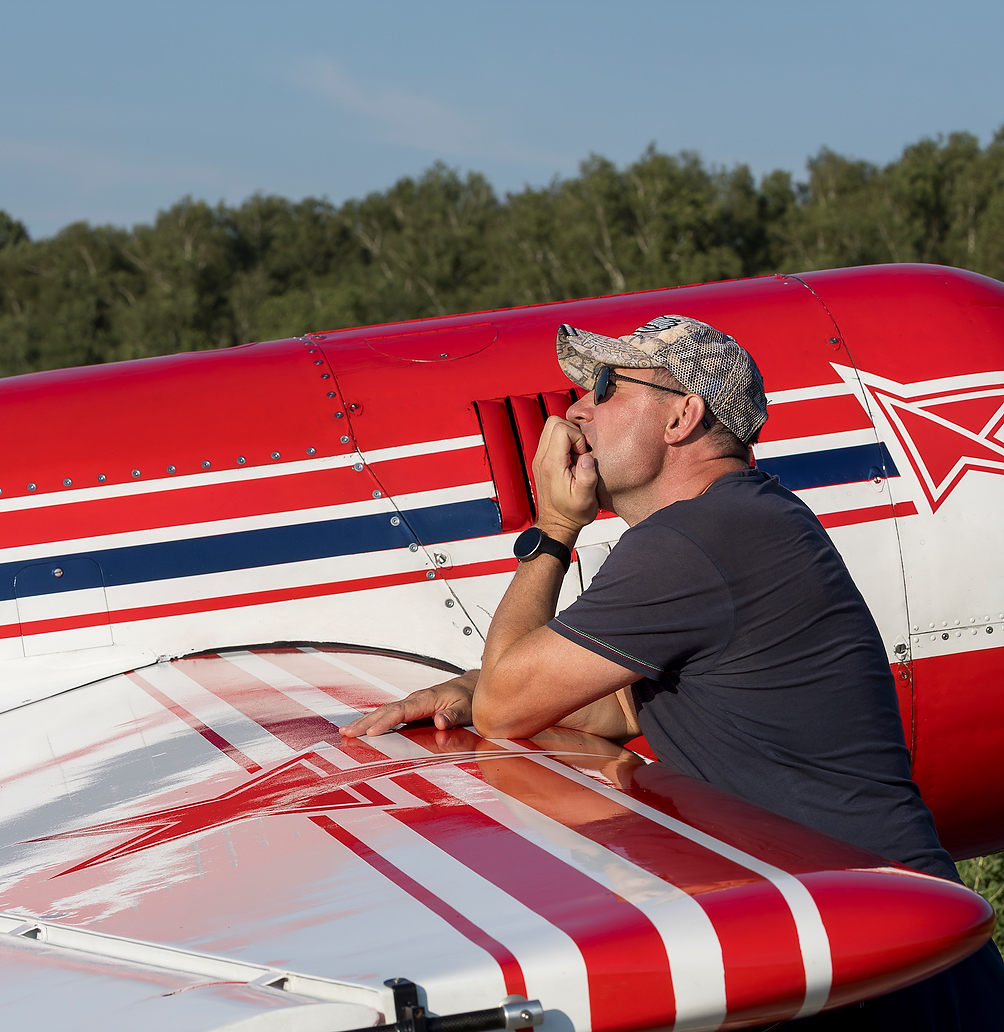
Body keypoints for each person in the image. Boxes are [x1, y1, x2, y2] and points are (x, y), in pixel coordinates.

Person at [340, 314, 1004, 1029]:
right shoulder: (742, 519)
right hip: (869, 937)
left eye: (606, 386)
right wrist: (470, 690)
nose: (576, 410)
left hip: (877, 961)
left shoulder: (699, 538)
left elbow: (509, 708)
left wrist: (554, 528)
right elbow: (617, 707)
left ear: (682, 417)